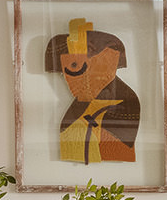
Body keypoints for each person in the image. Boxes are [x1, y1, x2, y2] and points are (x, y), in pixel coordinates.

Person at [46, 18, 140, 164]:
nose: (68, 80)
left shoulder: (123, 102)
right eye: (63, 74)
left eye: (74, 69)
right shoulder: (84, 102)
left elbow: (114, 148)